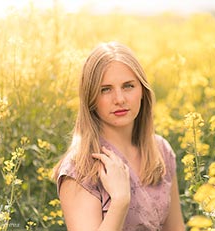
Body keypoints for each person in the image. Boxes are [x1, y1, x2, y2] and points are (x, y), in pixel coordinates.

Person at [53, 41, 185, 231]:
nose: (120, 99)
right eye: (105, 89)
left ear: (142, 92)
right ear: (91, 99)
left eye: (128, 86)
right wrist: (120, 202)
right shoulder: (80, 168)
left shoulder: (160, 150)